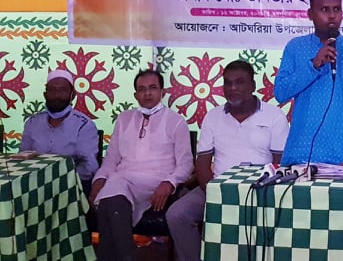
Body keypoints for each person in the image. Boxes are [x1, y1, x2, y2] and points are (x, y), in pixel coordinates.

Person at [166, 60, 289, 261]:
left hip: (259, 191)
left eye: (239, 82)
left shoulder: (274, 116)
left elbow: (280, 163)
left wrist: (258, 193)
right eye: (228, 83)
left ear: (252, 85)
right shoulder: (213, 117)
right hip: (216, 188)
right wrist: (216, 193)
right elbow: (202, 164)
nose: (233, 88)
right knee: (177, 215)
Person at [89, 69, 193, 261]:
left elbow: (186, 165)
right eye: (142, 89)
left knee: (111, 198)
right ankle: (126, 256)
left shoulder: (176, 122)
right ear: (135, 94)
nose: (147, 93)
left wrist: (169, 183)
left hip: (156, 183)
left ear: (162, 92)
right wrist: (100, 179)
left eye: (153, 88)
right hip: (123, 179)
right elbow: (111, 159)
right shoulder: (124, 118)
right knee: (111, 199)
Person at [274, 0, 343, 170]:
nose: (331, 16)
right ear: (310, 14)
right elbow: (280, 93)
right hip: (299, 155)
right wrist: (313, 65)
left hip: (341, 160)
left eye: (336, 9)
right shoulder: (295, 48)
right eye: (324, 10)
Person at [20, 69, 99, 196]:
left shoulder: (84, 125)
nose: (56, 95)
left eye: (62, 90)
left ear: (72, 95)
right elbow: (23, 157)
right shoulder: (32, 122)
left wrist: (58, 180)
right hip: (34, 185)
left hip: (70, 187)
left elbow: (88, 167)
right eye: (51, 90)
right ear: (45, 94)